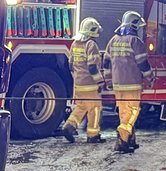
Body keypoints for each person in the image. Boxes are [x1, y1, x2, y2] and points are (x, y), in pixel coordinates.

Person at [105, 11, 153, 153]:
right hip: (132, 83)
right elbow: (142, 63)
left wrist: (108, 80)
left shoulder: (113, 40)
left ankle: (130, 140)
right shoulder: (135, 41)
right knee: (133, 111)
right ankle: (123, 137)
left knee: (124, 113)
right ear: (134, 25)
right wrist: (150, 77)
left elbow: (106, 62)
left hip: (117, 84)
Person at [61, 17, 106, 143]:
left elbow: (70, 64)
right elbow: (92, 67)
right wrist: (100, 82)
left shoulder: (75, 44)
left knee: (81, 107)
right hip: (90, 84)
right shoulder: (91, 45)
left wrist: (77, 76)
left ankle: (69, 127)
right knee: (95, 108)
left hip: (78, 84)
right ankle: (93, 135)